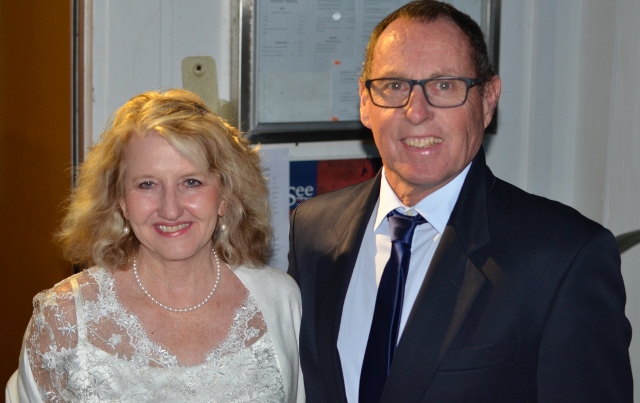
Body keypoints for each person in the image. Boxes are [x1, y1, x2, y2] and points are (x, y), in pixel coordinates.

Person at [288, 1, 632, 402]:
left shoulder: (564, 257)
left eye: (444, 86)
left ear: (488, 100)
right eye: (395, 86)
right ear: (365, 101)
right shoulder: (313, 229)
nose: (416, 112)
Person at [8, 89, 304, 402]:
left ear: (225, 195)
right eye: (147, 184)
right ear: (121, 200)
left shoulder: (280, 300)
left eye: (191, 182)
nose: (170, 209)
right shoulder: (65, 318)